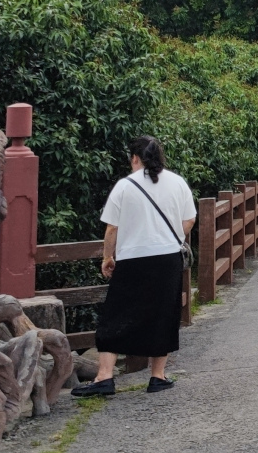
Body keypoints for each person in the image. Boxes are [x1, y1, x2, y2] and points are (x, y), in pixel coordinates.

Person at [72, 137, 195, 397]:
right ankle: (158, 376)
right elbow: (189, 219)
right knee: (163, 313)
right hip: (167, 258)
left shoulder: (124, 186)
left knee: (116, 313)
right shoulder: (177, 182)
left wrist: (107, 257)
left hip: (132, 259)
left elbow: (112, 227)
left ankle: (104, 377)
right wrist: (171, 238)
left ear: (135, 158)